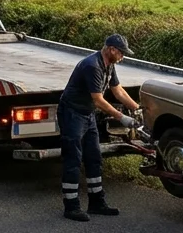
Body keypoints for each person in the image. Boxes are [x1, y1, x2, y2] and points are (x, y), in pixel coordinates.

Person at [56, 34, 141, 221]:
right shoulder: (92, 66)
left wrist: (136, 108)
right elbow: (99, 100)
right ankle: (71, 207)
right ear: (111, 50)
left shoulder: (109, 65)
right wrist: (122, 118)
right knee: (73, 159)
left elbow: (117, 90)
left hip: (87, 114)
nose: (123, 57)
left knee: (94, 157)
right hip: (72, 114)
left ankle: (96, 202)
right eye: (121, 53)